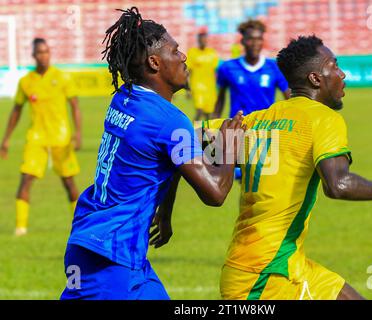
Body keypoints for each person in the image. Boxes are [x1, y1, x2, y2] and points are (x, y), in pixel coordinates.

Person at [200, 35, 372, 300]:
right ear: (316, 79)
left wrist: (165, 211)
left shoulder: (260, 119)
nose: (342, 74)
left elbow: (174, 143)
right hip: (266, 277)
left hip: (279, 265)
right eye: (334, 66)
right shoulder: (324, 119)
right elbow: (338, 185)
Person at [60, 7, 243, 300]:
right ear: (155, 63)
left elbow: (163, 161)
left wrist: (165, 213)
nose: (183, 57)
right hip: (112, 260)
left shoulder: (125, 98)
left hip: (98, 246)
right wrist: (232, 144)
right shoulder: (169, 121)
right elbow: (215, 193)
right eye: (176, 51)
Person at [0, 38, 82, 236]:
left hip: (61, 139)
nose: (44, 56)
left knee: (69, 183)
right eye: (40, 52)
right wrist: (6, 139)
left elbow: (75, 106)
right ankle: (20, 228)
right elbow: (16, 110)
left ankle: (80, 225)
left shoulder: (62, 78)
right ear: (33, 55)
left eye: (46, 52)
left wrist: (77, 133)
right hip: (36, 139)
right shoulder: (26, 82)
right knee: (26, 179)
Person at [213, 19, 290, 119]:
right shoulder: (227, 67)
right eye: (250, 39)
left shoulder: (274, 67)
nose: (255, 43)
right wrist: (213, 124)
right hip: (238, 128)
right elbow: (220, 100)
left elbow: (290, 98)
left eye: (259, 39)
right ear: (243, 41)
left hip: (266, 129)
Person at [186, 28, 219, 121]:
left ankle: (206, 134)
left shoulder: (212, 53)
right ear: (198, 40)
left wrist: (217, 87)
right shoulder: (192, 52)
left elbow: (215, 72)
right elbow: (189, 72)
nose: (203, 41)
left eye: (205, 39)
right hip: (197, 87)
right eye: (201, 39)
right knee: (199, 112)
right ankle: (193, 132)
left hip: (210, 89)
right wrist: (188, 88)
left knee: (209, 115)